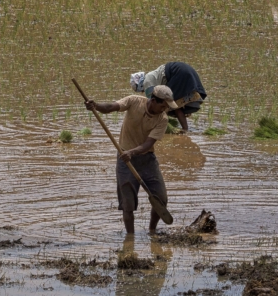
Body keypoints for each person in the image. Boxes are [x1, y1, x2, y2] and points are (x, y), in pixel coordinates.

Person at [84, 85, 177, 233]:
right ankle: (130, 238)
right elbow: (110, 107)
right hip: (125, 160)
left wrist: (132, 152)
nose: (165, 109)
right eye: (163, 106)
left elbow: (148, 144)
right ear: (154, 101)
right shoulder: (134, 101)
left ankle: (152, 230)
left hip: (147, 160)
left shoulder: (162, 119)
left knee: (161, 199)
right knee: (127, 205)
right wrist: (96, 106)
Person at [130, 61, 207, 132]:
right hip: (186, 70)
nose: (143, 92)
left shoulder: (147, 82)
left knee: (168, 104)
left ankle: (181, 128)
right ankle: (185, 129)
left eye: (141, 90)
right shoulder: (152, 76)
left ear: (139, 85)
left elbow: (152, 104)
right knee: (175, 105)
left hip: (179, 74)